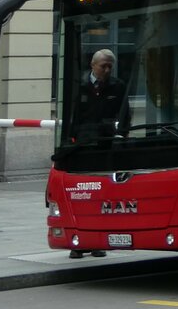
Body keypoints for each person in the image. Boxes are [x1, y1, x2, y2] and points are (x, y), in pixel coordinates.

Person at [69, 48, 129, 258]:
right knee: (80, 194)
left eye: (110, 66)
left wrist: (121, 138)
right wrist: (72, 140)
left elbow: (124, 115)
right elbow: (73, 116)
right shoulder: (80, 87)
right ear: (93, 65)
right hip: (84, 147)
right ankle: (77, 242)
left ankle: (97, 241)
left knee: (101, 196)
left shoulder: (118, 86)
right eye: (103, 65)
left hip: (106, 146)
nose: (107, 69)